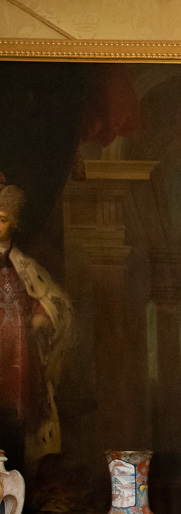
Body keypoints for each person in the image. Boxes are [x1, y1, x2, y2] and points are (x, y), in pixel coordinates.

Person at [0, 174, 72, 478]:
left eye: (2, 219)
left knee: (15, 422)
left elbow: (57, 302)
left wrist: (40, 316)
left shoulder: (25, 267)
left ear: (14, 225)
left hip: (18, 355)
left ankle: (17, 494)